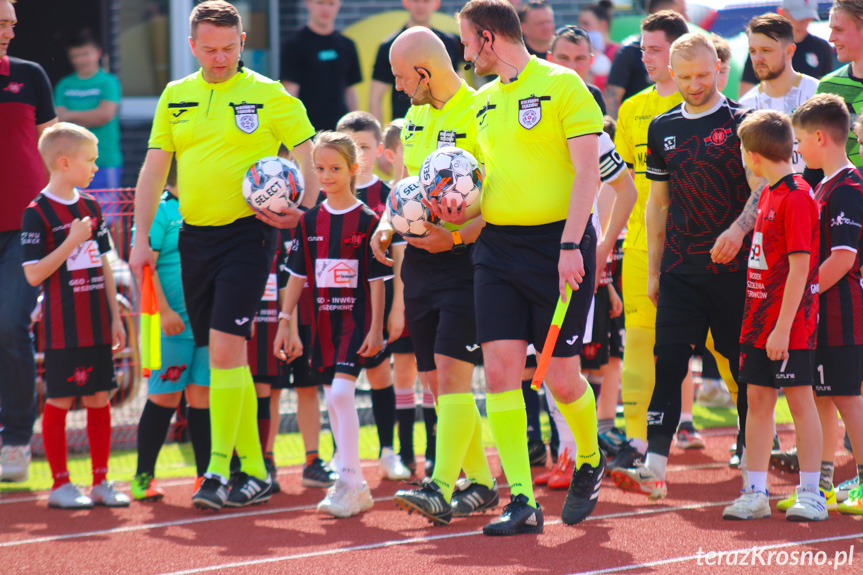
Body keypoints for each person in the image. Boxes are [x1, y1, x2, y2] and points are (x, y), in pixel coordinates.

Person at [129, 0, 318, 511]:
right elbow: (152, 171)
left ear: (243, 43)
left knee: (223, 352)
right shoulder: (176, 95)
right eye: (209, 50)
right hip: (194, 237)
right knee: (222, 357)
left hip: (249, 235)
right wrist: (138, 237)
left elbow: (308, 154)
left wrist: (301, 208)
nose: (219, 59)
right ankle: (254, 472)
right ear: (192, 46)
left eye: (229, 49)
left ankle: (216, 471)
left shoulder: (269, 94)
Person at [447, 0, 605, 535]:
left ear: (488, 38)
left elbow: (589, 173)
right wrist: (453, 212)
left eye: (467, 43)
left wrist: (568, 247)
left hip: (558, 246)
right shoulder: (482, 102)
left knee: (562, 380)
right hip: (496, 249)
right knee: (497, 374)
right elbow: (486, 182)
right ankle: (522, 499)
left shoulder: (563, 85)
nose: (465, 54)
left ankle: (590, 457)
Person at [614, 34, 763, 500]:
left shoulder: (745, 121)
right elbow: (655, 205)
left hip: (735, 268)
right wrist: (655, 269)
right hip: (680, 267)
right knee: (669, 361)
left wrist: (738, 231)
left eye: (703, 75)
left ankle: (750, 457)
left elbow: (763, 189)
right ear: (670, 75)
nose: (695, 85)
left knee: (742, 367)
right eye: (685, 77)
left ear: (719, 68)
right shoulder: (661, 127)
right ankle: (655, 467)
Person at [371, 27, 497, 526]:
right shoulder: (415, 116)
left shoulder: (482, 110)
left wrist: (459, 237)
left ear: (424, 71)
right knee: (432, 380)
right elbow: (404, 186)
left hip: (467, 261)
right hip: (421, 260)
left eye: (403, 77)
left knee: (450, 377)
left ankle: (440, 485)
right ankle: (482, 483)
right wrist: (386, 224)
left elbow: (502, 197)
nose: (399, 88)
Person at [274, 131, 388, 518]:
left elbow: (376, 282)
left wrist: (376, 329)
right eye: (319, 168)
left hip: (356, 324)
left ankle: (353, 480)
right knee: (333, 401)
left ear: (354, 169)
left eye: (335, 168)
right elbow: (297, 276)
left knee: (340, 396)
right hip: (321, 323)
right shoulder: (308, 222)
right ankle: (348, 481)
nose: (325, 175)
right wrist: (284, 322)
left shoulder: (369, 220)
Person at [721, 109, 823, 521]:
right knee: (757, 401)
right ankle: (755, 490)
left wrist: (782, 329)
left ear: (753, 155)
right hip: (757, 317)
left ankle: (813, 492)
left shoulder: (797, 195)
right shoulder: (767, 192)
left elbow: (801, 267)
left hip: (788, 324)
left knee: (800, 402)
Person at [22, 123, 128, 509]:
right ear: (64, 163)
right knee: (61, 400)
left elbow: (103, 265)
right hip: (62, 326)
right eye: (91, 160)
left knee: (101, 397)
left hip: (97, 321)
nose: (96, 167)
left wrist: (116, 317)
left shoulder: (92, 207)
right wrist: (71, 240)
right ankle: (60, 484)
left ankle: (100, 482)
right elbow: (33, 273)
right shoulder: (36, 213)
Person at [606, 10, 689, 472]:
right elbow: (616, 181)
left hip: (696, 244)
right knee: (638, 340)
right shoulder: (633, 108)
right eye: (644, 48)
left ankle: (751, 435)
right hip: (639, 242)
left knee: (719, 343)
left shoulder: (705, 105)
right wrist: (603, 240)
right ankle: (637, 441)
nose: (646, 56)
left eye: (655, 48)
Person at [788, 94, 863, 516]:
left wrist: (805, 292)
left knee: (848, 397)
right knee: (820, 397)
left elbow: (843, 258)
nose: (797, 149)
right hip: (821, 312)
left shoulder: (849, 187)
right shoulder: (821, 185)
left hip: (841, 312)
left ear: (819, 137)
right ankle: (823, 484)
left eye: (800, 140)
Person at [336, 110, 413, 481]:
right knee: (336, 385)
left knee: (382, 375)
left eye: (364, 147)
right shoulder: (328, 194)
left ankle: (388, 451)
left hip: (376, 303)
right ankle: (340, 456)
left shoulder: (388, 195)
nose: (357, 155)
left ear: (379, 149)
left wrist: (397, 306)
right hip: (335, 303)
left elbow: (399, 255)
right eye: (349, 147)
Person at [0, 0, 57, 483]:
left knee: (8, 325)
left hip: (23, 228)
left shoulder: (30, 75)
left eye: (11, 24)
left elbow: (53, 148)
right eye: (1, 23)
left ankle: (16, 438)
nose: (9, 33)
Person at [131, 162, 211, 502]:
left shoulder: (205, 211)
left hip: (206, 322)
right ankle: (142, 477)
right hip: (171, 324)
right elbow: (145, 266)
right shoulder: (162, 212)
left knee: (202, 397)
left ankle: (205, 478)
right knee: (164, 397)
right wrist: (164, 311)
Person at [739, 13, 819, 176]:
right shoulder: (745, 106)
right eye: (753, 51)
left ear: (789, 51)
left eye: (766, 50)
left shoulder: (817, 94)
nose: (758, 58)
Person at [54, 32, 123, 197]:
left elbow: (105, 115)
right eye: (76, 55)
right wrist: (91, 115)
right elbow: (58, 119)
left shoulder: (108, 81)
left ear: (97, 53)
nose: (82, 59)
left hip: (104, 159)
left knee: (109, 217)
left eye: (86, 53)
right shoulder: (64, 84)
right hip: (72, 162)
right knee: (75, 215)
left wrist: (70, 116)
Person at [370, 0, 461, 123]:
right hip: (404, 125)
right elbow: (375, 97)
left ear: (436, 3)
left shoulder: (449, 42)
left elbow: (459, 85)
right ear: (406, 3)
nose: (420, 6)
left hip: (443, 123)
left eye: (426, 1)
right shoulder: (389, 46)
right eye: (416, 1)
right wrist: (379, 136)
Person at [281, 0, 362, 132]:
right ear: (308, 4)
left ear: (338, 6)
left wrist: (355, 125)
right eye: (320, 2)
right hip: (308, 129)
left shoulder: (347, 45)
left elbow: (350, 91)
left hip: (341, 130)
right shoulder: (294, 45)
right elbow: (290, 94)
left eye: (331, 4)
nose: (325, 9)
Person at [604, 0, 688, 119]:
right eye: (681, 12)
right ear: (660, 14)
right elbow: (612, 96)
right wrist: (613, 127)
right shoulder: (629, 51)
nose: (645, 58)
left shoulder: (697, 98)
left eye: (654, 50)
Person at [739, 0, 834, 96]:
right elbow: (745, 94)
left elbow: (827, 90)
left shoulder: (821, 47)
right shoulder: (760, 49)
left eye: (808, 18)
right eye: (799, 17)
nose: (804, 23)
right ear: (781, 12)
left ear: (790, 51)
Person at [817, 0, 863, 168]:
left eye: (839, 30)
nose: (830, 39)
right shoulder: (827, 86)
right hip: (844, 193)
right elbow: (820, 153)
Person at [547, 25, 607, 114]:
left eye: (579, 59)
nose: (571, 66)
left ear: (591, 61)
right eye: (563, 58)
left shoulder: (594, 96)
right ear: (550, 59)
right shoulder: (536, 95)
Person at [577, 1, 618, 92]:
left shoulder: (618, 53)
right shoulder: (578, 53)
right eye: (580, 24)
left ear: (603, 25)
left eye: (586, 24)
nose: (581, 28)